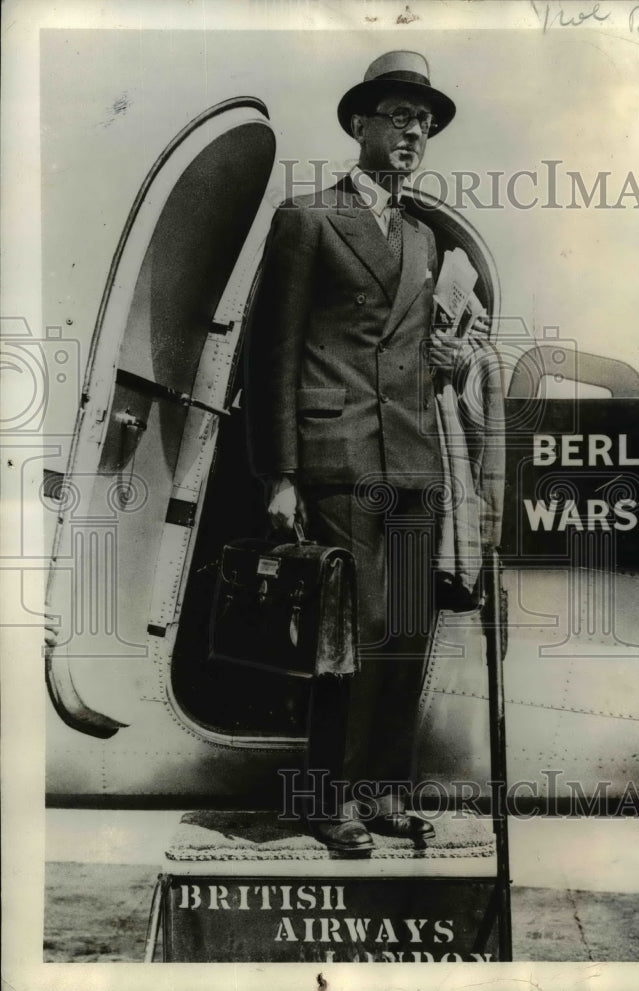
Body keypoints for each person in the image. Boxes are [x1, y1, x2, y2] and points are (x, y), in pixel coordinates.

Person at [245, 51, 462, 855]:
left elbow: (418, 349)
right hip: (337, 458)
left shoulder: (424, 237)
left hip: (411, 459)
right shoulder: (306, 220)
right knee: (351, 633)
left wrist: (453, 362)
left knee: (404, 631)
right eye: (400, 116)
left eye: (425, 123)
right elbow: (273, 352)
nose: (414, 132)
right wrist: (279, 474)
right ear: (360, 123)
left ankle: (381, 794)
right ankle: (322, 799)